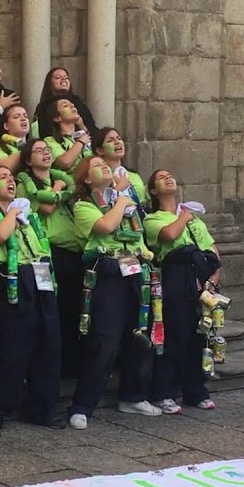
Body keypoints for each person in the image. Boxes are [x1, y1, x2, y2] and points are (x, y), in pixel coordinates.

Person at [67, 157, 158, 429]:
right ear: (86, 179)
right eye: (96, 165)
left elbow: (139, 236)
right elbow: (105, 227)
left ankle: (133, 395)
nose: (105, 166)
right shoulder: (84, 206)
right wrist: (121, 199)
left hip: (136, 272)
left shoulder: (126, 205)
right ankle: (82, 406)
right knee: (104, 341)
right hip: (108, 275)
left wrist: (144, 255)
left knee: (140, 334)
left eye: (105, 164)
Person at [0, 165, 62, 436]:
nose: (10, 181)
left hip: (40, 279)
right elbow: (0, 236)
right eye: (3, 178)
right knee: (10, 349)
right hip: (12, 281)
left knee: (48, 346)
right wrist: (12, 212)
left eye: (12, 178)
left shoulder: (28, 218)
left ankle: (43, 408)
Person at [144, 168, 221, 411]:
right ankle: (164, 391)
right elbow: (169, 234)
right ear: (153, 190)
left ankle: (195, 391)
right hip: (175, 277)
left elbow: (212, 251)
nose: (168, 178)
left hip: (199, 277)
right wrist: (184, 217)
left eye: (170, 176)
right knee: (174, 335)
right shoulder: (153, 219)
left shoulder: (194, 220)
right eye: (161, 178)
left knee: (199, 335)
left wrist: (213, 281)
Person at [17, 138, 83, 379]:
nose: (45, 153)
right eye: (38, 151)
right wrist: (58, 188)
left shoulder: (59, 180)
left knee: (73, 308)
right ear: (28, 160)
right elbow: (46, 208)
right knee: (54, 309)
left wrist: (60, 187)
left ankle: (71, 363)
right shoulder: (26, 184)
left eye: (47, 150)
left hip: (73, 249)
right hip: (50, 251)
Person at [33, 66, 98, 138]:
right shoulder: (44, 106)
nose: (63, 79)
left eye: (66, 77)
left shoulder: (78, 102)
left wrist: (82, 126)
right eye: (58, 77)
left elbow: (93, 130)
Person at [94, 127, 147, 206]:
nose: (117, 142)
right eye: (110, 141)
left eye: (119, 138)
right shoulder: (100, 176)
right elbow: (101, 206)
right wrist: (120, 187)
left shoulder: (134, 175)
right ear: (100, 150)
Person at [43, 98, 93, 175]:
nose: (72, 105)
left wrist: (83, 127)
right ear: (57, 118)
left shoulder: (83, 135)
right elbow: (65, 162)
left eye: (72, 104)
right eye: (65, 106)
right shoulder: (50, 140)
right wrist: (80, 142)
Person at [0, 104, 31, 170]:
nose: (23, 119)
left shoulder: (34, 145)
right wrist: (27, 149)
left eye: (25, 116)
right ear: (6, 126)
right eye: (16, 117)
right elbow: (4, 167)